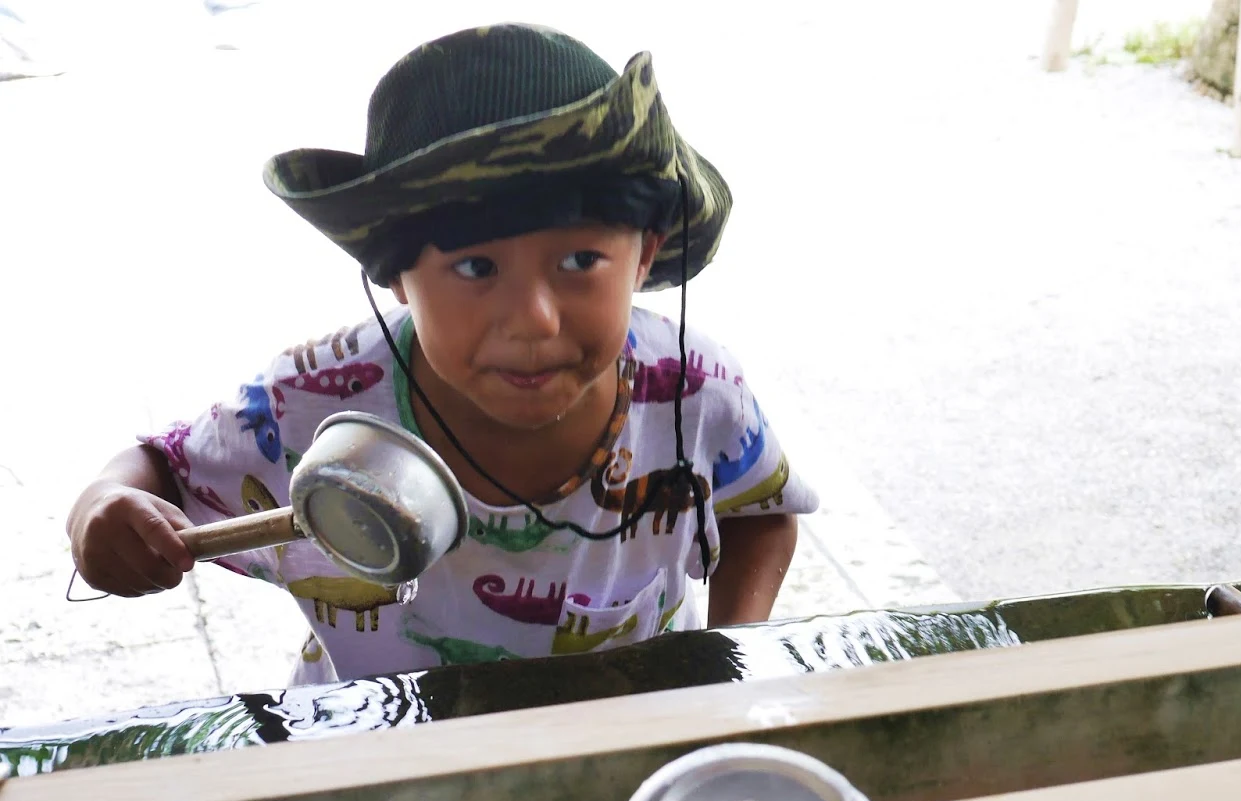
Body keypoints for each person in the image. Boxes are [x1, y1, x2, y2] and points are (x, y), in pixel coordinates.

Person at [66, 23, 814, 685]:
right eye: (476, 269)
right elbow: (160, 466)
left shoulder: (692, 386)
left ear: (646, 253)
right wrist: (102, 510)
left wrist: (726, 656)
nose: (533, 320)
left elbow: (760, 512)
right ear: (392, 274)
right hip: (385, 750)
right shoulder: (315, 401)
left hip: (625, 728)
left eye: (581, 260)